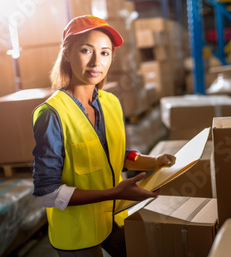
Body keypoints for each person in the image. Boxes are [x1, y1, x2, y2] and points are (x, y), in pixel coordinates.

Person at [31, 15, 175, 257]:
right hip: (78, 231)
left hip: (114, 216)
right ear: (66, 53)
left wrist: (154, 161)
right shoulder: (52, 114)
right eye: (86, 50)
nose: (96, 61)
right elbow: (46, 193)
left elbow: (115, 155)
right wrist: (116, 192)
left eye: (105, 52)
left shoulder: (111, 103)